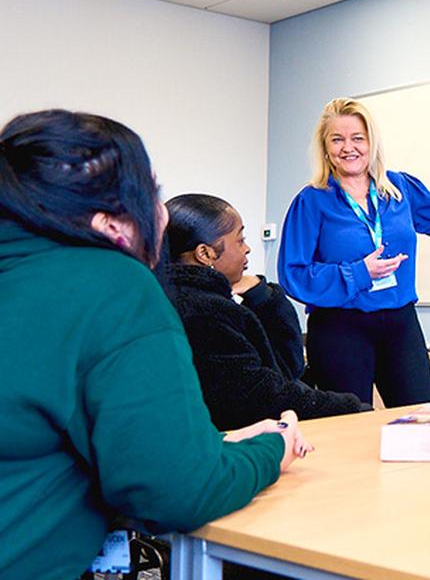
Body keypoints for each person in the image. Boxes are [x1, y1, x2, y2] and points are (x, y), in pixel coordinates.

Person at [0, 110, 311, 579]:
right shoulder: (112, 285)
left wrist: (216, 444)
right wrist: (272, 450)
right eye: (152, 192)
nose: (160, 213)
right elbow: (177, 493)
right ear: (110, 223)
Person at [278, 98, 430, 406]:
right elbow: (294, 274)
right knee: (350, 430)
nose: (348, 147)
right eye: (337, 139)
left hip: (400, 325)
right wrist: (358, 273)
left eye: (358, 138)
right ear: (325, 147)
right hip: (340, 329)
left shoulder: (399, 188)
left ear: (372, 142)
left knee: (422, 420)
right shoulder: (312, 200)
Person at [165, 193, 366, 431]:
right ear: (205, 253)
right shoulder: (205, 313)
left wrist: (263, 296)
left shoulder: (173, 297)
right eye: (240, 240)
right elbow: (259, 397)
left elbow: (283, 370)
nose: (247, 249)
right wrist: (350, 407)